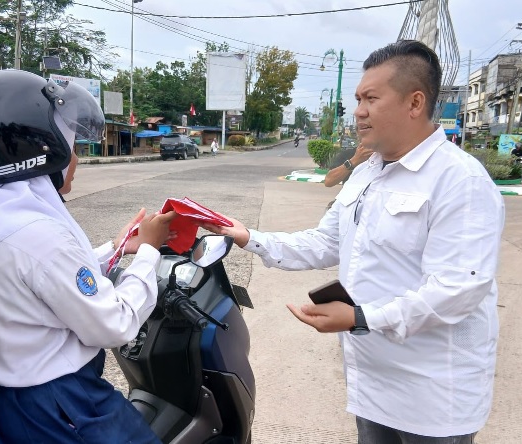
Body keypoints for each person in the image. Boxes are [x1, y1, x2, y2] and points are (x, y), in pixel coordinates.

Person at [202, 40, 505, 443]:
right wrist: (250, 238)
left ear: (415, 103)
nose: (358, 110)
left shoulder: (458, 180)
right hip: (371, 384)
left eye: (371, 98)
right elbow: (327, 241)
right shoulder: (367, 172)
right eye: (358, 98)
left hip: (433, 396)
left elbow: (457, 290)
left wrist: (361, 318)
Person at [0, 69, 176, 443]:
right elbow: (115, 324)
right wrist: (149, 252)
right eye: (73, 146)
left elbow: (43, 278)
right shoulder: (38, 234)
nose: (77, 160)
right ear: (45, 148)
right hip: (55, 407)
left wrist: (119, 249)